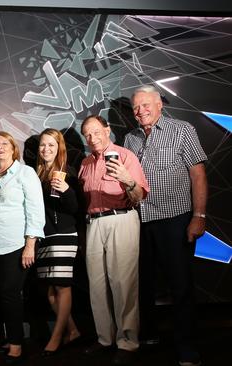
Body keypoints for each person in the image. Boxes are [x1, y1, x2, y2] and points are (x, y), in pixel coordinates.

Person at [125, 85, 207, 366]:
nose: (141, 111)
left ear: (160, 105)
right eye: (136, 107)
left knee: (180, 285)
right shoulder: (130, 138)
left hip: (175, 219)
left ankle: (187, 347)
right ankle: (149, 336)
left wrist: (199, 216)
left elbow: (198, 175)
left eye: (146, 105)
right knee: (143, 285)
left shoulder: (182, 130)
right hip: (140, 222)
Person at [78, 115, 149, 365]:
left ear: (107, 130)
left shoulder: (125, 156)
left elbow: (139, 196)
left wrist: (126, 178)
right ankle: (104, 338)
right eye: (87, 134)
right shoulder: (85, 163)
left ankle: (128, 342)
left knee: (122, 283)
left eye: (97, 132)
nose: (92, 137)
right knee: (97, 286)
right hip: (94, 224)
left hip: (122, 219)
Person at [0, 131, 44, 364]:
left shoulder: (25, 173)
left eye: (4, 143)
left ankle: (17, 344)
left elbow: (35, 210)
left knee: (11, 295)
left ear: (13, 148)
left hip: (16, 243)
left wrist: (30, 244)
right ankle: (7, 339)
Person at [35, 128, 82, 355]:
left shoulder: (67, 172)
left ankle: (55, 338)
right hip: (44, 237)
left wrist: (66, 191)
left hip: (63, 235)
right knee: (51, 292)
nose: (46, 149)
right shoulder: (36, 173)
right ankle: (72, 331)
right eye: (43, 145)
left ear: (59, 148)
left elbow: (75, 209)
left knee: (62, 288)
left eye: (51, 145)